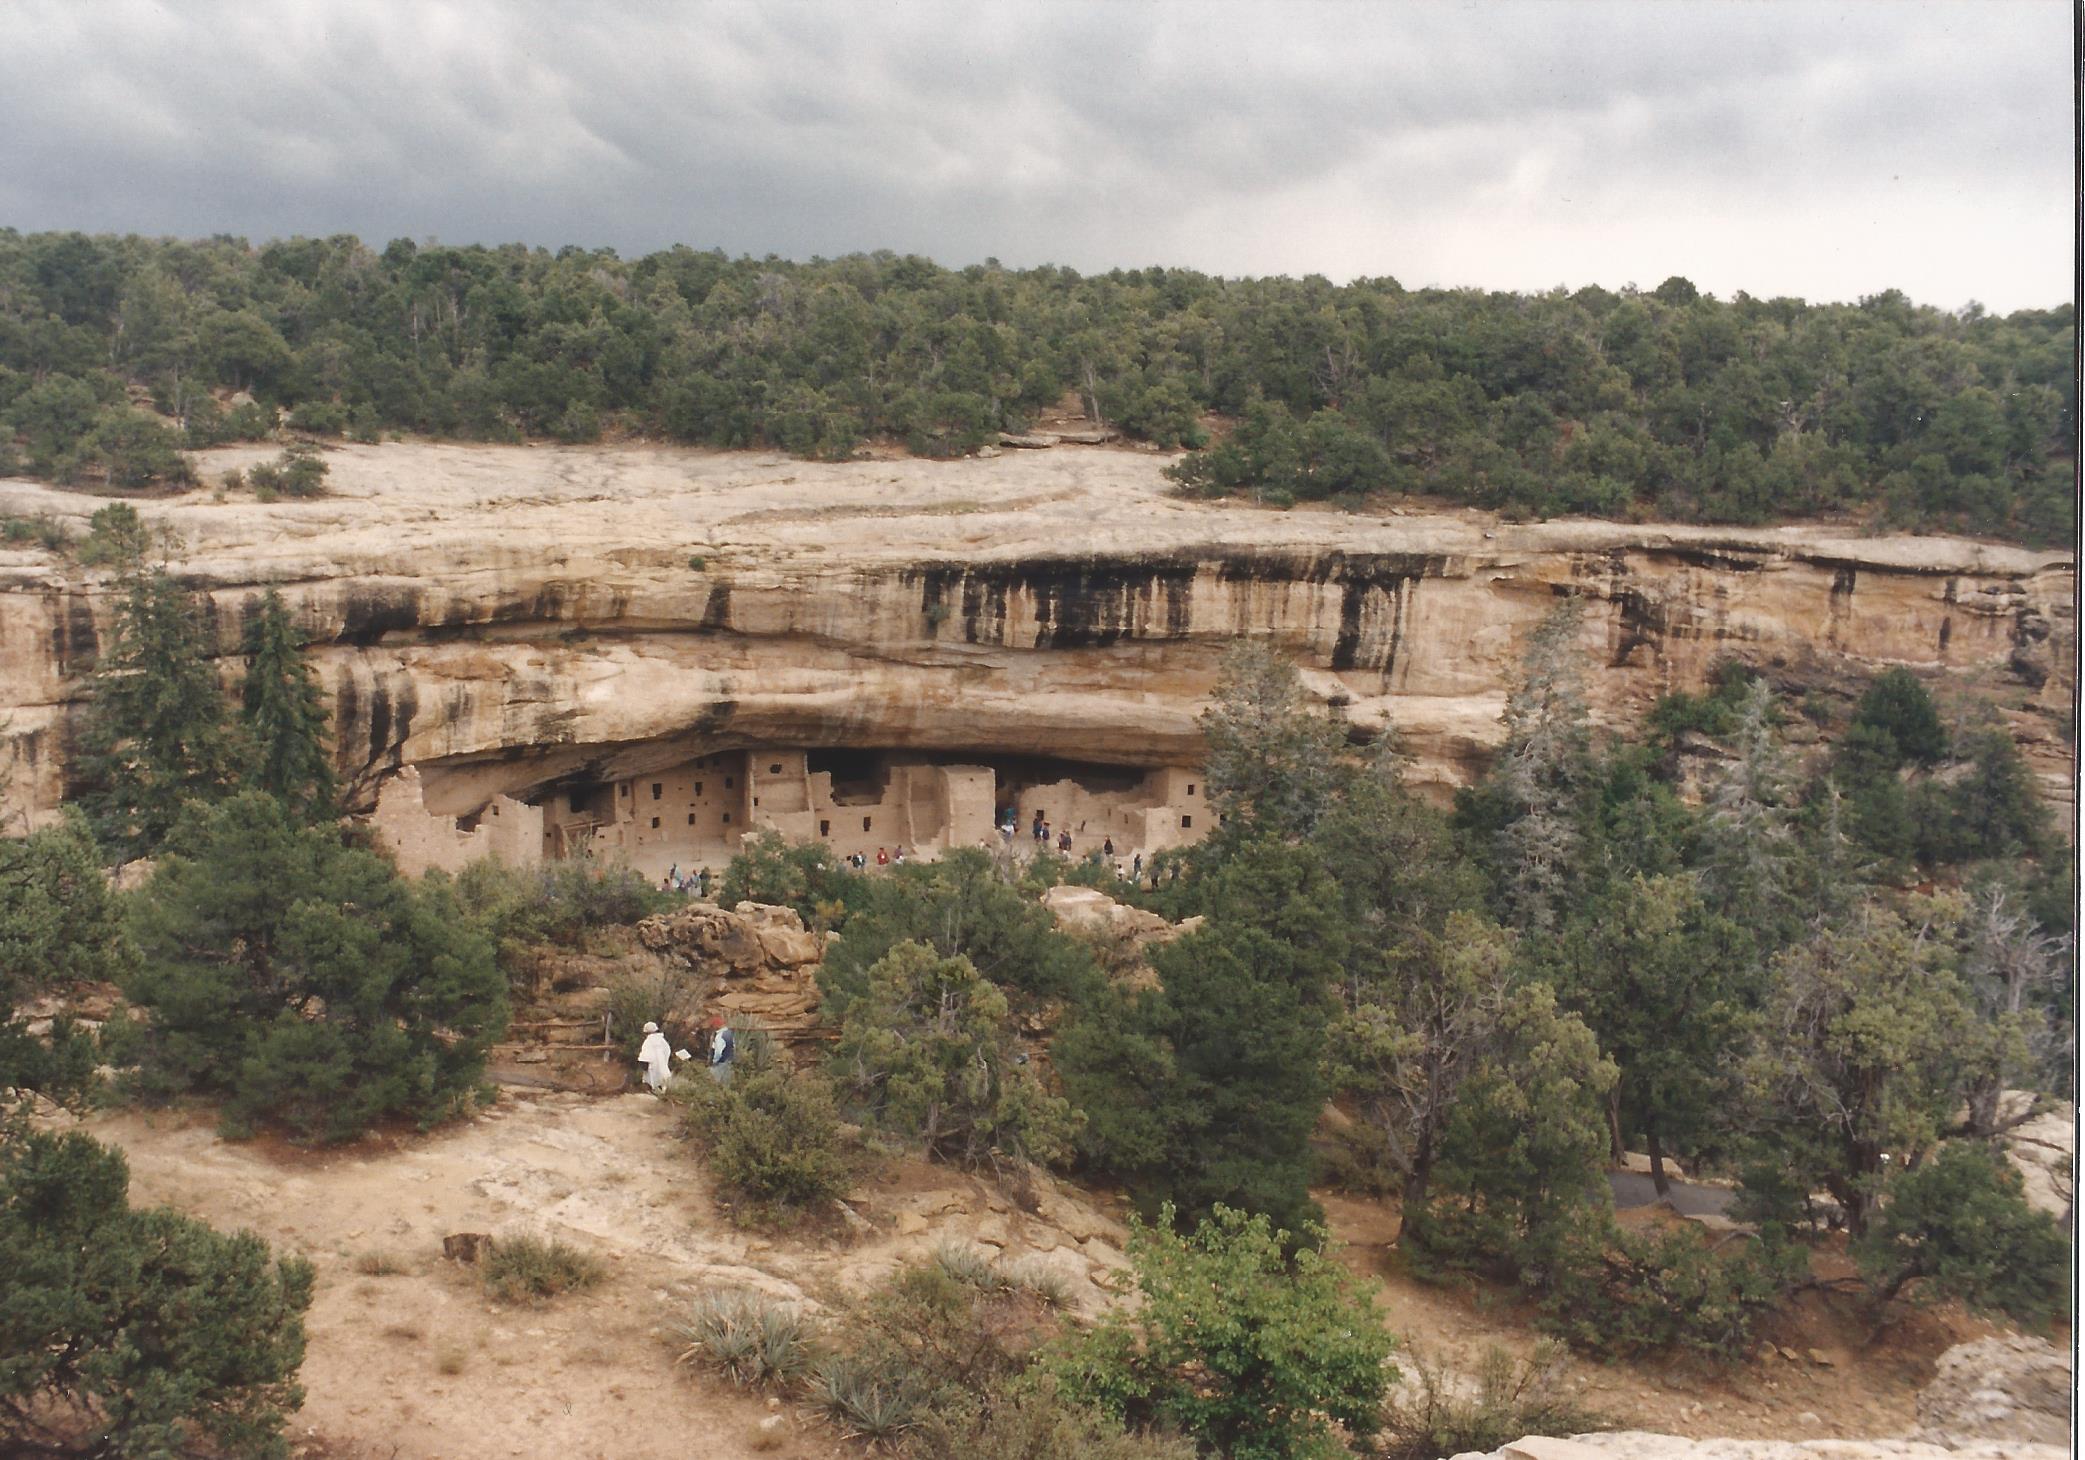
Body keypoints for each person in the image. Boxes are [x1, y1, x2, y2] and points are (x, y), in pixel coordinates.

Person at [636, 1020, 675, 1093]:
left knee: (651, 1082)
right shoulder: (662, 1040)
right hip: (663, 1067)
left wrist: (643, 1065)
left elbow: (645, 1056)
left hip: (651, 1068)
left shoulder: (648, 1042)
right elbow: (667, 1051)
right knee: (663, 1082)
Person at [707, 1016, 736, 1087]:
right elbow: (734, 1047)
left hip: (720, 1063)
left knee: (713, 1083)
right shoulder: (730, 1033)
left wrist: (714, 1061)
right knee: (726, 1085)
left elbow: (718, 1051)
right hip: (729, 1062)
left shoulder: (720, 1036)